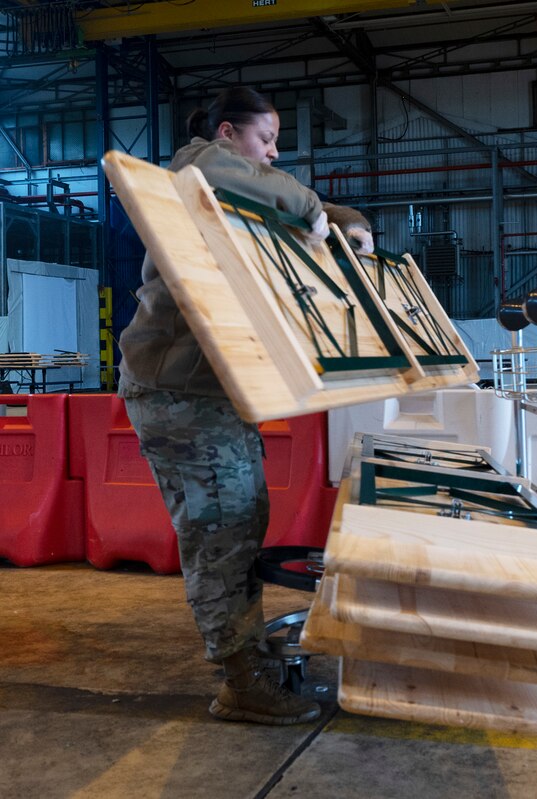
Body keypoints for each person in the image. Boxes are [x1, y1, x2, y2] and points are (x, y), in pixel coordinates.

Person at [117, 87, 373, 725]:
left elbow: (279, 194)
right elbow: (216, 173)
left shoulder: (240, 191)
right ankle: (241, 681)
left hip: (212, 391)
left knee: (240, 517)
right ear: (228, 132)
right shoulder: (197, 168)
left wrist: (341, 216)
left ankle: (248, 658)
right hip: (177, 390)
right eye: (267, 139)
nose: (275, 152)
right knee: (221, 531)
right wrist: (313, 204)